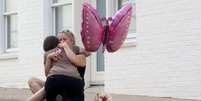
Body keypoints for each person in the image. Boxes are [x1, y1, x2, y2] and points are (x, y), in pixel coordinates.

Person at [27, 31, 90, 101]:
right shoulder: (54, 52)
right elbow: (47, 74)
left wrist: (66, 47)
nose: (62, 41)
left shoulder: (78, 53)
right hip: (55, 81)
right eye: (59, 40)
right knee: (33, 81)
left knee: (50, 86)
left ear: (72, 41)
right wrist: (49, 58)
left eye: (64, 39)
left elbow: (86, 53)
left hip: (72, 86)